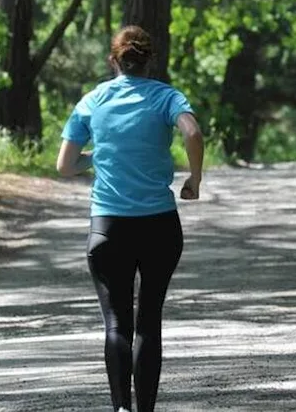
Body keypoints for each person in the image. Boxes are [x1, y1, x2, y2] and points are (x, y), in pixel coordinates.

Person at [57, 25, 205, 412]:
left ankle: (121, 407)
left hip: (108, 227)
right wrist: (194, 179)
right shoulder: (166, 97)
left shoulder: (92, 100)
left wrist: (100, 156)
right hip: (159, 226)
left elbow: (65, 165)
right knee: (148, 321)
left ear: (114, 60)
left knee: (116, 323)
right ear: (150, 60)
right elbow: (193, 132)